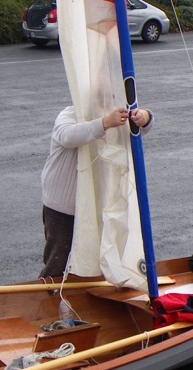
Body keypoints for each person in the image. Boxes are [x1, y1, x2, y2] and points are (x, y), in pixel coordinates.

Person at [39, 105, 154, 278]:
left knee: (96, 261)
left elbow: (138, 127)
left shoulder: (115, 114)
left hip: (97, 204)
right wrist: (105, 122)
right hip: (64, 207)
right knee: (58, 262)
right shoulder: (70, 113)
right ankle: (48, 299)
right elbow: (67, 136)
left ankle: (83, 300)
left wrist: (145, 118)